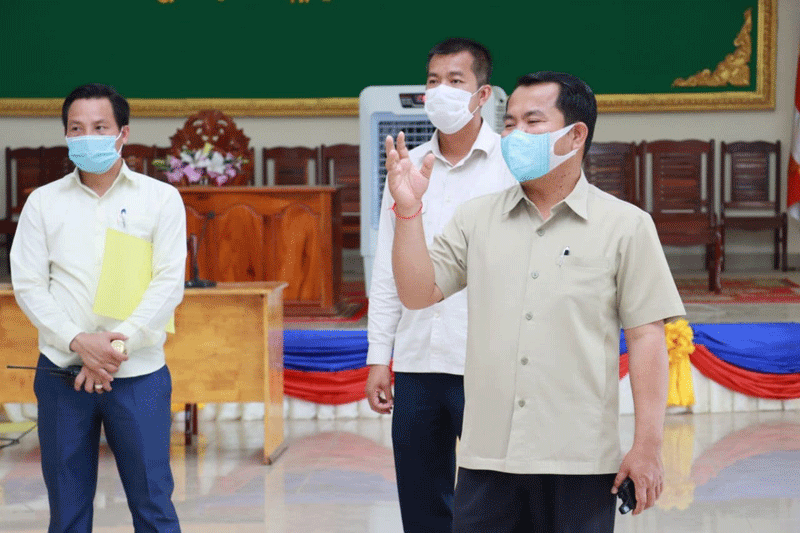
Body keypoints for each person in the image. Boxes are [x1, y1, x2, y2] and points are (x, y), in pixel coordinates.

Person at [386, 71, 686, 532]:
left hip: (580, 460)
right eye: (509, 123)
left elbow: (647, 339)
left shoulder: (626, 226)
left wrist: (648, 445)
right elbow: (416, 293)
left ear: (575, 135)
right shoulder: (477, 218)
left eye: (532, 122)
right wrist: (408, 211)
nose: (514, 135)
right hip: (488, 460)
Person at [10, 83, 186, 533]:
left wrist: (113, 349)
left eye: (100, 127)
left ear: (123, 133)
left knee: (154, 507)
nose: (87, 136)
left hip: (138, 374)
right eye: (77, 128)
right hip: (62, 374)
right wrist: (78, 342)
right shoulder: (42, 202)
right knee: (67, 513)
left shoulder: (160, 198)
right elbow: (28, 284)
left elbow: (168, 284)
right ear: (66, 135)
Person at [364, 37, 516, 532]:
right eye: (433, 81)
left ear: (483, 94)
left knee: (493, 503)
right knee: (422, 506)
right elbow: (387, 272)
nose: (441, 91)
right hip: (416, 361)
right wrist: (378, 356)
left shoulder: (511, 166)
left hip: (486, 363)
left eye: (455, 81)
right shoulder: (407, 167)